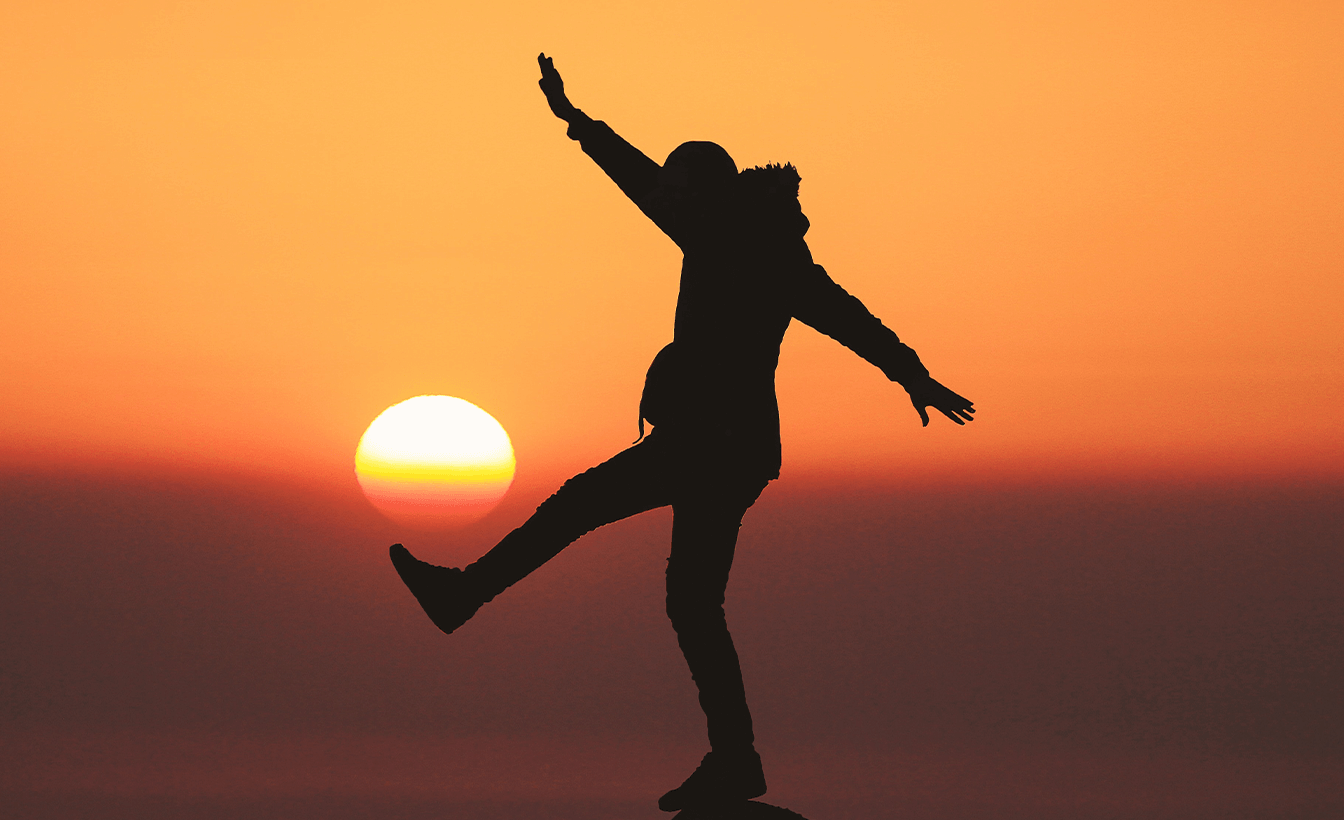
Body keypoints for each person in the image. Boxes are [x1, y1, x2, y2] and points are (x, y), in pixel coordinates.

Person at [389, 53, 976, 812]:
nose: (666, 203)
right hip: (724, 449)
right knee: (691, 603)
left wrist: (912, 373)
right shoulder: (721, 228)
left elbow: (846, 315)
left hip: (711, 445)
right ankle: (735, 760)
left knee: (582, 511)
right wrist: (578, 123)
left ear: (701, 193)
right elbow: (642, 181)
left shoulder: (758, 250)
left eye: (677, 192)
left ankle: (463, 597)